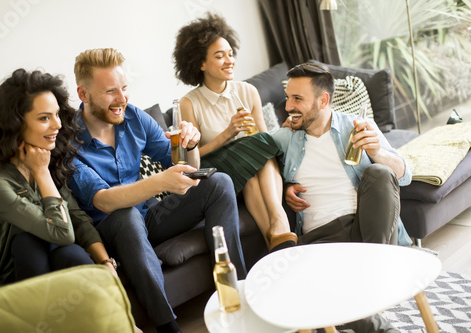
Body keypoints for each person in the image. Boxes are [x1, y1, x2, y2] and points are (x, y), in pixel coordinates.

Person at [68, 47, 246, 333]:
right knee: (126, 215)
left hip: (148, 219)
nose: (122, 99)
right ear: (83, 94)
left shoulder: (134, 118)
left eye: (124, 88)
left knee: (219, 183)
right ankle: (168, 326)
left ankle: (237, 294)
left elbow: (181, 163)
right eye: (110, 92)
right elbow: (103, 201)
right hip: (110, 231)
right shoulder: (68, 142)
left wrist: (190, 145)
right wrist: (161, 182)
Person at [273, 62, 413, 331]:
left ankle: (370, 276)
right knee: (343, 295)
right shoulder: (283, 138)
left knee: (379, 173)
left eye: (297, 99)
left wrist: (378, 153)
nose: (289, 106)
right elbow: (259, 174)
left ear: (323, 100)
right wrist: (283, 188)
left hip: (368, 231)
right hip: (320, 240)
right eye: (288, 98)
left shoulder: (357, 127)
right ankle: (372, 297)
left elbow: (404, 176)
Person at [0, 69, 118, 289]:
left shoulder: (42, 159)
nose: (57, 124)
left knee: (70, 254)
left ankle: (119, 320)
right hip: (0, 289)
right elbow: (62, 232)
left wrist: (106, 262)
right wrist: (42, 173)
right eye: (44, 118)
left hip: (44, 266)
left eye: (56, 114)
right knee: (28, 242)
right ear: (16, 123)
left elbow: (76, 218)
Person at [173, 12, 297, 252]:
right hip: (214, 170)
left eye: (230, 54)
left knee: (253, 163)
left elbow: (264, 140)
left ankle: (275, 236)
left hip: (247, 169)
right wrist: (228, 133)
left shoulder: (248, 91)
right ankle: (280, 221)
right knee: (248, 156)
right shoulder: (189, 103)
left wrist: (282, 132)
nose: (229, 60)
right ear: (200, 63)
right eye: (219, 56)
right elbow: (193, 159)